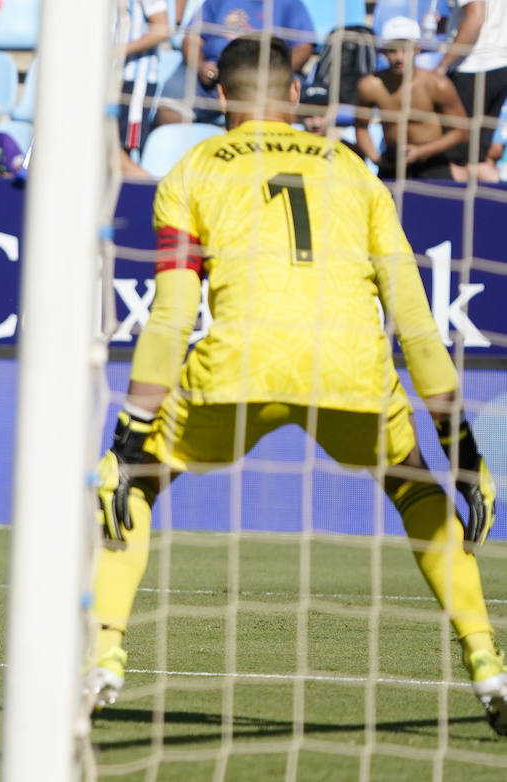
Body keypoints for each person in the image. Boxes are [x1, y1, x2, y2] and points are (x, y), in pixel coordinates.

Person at [84, 35, 507, 735]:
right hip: (353, 370)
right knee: (418, 490)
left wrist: (129, 431)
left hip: (238, 367)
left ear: (218, 92)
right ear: (295, 94)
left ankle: (103, 662)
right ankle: (489, 667)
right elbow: (414, 321)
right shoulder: (354, 168)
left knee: (127, 487)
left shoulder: (190, 170)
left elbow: (172, 314)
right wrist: (460, 445)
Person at [153, 0, 314, 127]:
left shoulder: (291, 4)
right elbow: (192, 39)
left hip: (265, 83)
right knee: (170, 106)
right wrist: (201, 66)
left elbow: (304, 46)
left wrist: (272, 73)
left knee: (294, 106)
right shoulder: (216, 1)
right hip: (211, 79)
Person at [356, 16, 470, 180]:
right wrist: (376, 158)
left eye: (405, 49)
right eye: (392, 50)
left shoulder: (437, 85)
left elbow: (462, 130)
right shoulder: (370, 86)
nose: (399, 57)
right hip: (392, 161)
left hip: (432, 162)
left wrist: (422, 152)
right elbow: (360, 127)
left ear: (417, 49)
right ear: (383, 51)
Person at [434, 0, 507, 182]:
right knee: (477, 158)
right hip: (498, 65)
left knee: (458, 156)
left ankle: (459, 209)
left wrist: (443, 64)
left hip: (474, 68)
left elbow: (476, 16)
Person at [116, 0, 171, 157]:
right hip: (117, 76)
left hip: (137, 78)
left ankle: (135, 181)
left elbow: (162, 29)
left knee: (130, 146)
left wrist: (117, 51)